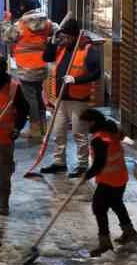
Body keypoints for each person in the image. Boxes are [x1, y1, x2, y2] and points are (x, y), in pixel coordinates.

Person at [39, 18, 102, 175]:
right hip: (61, 99)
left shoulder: (88, 50)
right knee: (58, 132)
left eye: (67, 37)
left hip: (78, 100)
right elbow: (46, 58)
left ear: (75, 36)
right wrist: (52, 43)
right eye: (62, 37)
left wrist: (76, 80)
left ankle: (82, 164)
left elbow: (96, 73)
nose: (64, 40)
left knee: (78, 133)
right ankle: (59, 162)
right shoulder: (61, 47)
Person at [79, 108, 137, 256]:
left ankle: (105, 244)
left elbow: (99, 163)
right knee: (116, 203)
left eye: (84, 124)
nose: (82, 127)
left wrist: (86, 175)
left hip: (109, 180)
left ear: (92, 122)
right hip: (120, 177)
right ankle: (129, 232)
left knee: (99, 208)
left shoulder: (99, 139)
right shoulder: (112, 129)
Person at [0, 55, 30, 216]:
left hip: (6, 136)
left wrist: (17, 128)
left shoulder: (14, 88)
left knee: (3, 174)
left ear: (3, 71)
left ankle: (3, 205)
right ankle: (7, 166)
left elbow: (24, 110)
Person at [4, 0, 54, 134]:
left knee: (30, 99)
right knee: (38, 95)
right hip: (42, 66)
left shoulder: (19, 25)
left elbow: (7, 37)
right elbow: (57, 32)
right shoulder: (47, 23)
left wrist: (7, 22)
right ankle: (43, 126)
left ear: (22, 7)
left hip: (26, 68)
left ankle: (36, 128)